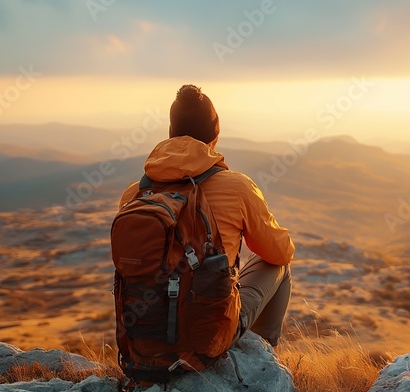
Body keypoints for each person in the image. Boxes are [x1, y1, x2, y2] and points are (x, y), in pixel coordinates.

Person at [117, 84, 294, 348]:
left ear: (170, 134)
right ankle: (261, 352)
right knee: (277, 264)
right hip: (207, 338)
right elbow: (280, 253)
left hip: (143, 342)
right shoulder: (237, 187)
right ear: (214, 138)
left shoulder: (134, 195)